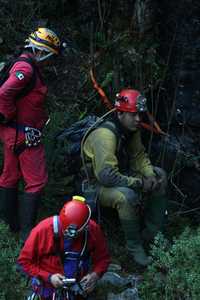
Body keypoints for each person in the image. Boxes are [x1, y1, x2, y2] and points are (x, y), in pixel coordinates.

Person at [82, 89, 168, 266]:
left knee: (160, 175)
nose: (138, 119)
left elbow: (138, 156)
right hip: (95, 184)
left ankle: (152, 234)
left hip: (118, 175)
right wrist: (139, 183)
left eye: (140, 115)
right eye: (133, 115)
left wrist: (150, 175)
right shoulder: (105, 136)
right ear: (120, 113)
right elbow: (106, 176)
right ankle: (134, 247)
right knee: (126, 196)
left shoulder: (131, 129)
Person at [0, 28, 62, 241]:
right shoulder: (26, 69)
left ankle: (10, 229)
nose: (50, 62)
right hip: (24, 136)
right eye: (50, 57)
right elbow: (4, 93)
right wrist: (6, 115)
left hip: (12, 133)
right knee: (36, 181)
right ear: (41, 52)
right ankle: (27, 234)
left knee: (9, 177)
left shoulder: (20, 63)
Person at [17, 195, 111, 300]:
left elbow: (103, 259)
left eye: (76, 234)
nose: (70, 237)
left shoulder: (93, 230)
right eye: (66, 233)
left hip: (78, 289)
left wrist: (95, 275)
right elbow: (24, 261)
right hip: (47, 289)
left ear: (86, 226)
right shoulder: (42, 230)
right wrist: (48, 277)